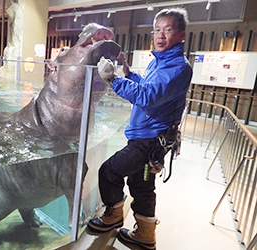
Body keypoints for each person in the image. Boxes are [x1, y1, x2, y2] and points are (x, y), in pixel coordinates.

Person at [87, 7, 193, 250]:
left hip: (148, 141)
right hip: (151, 138)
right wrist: (130, 75)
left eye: (168, 30)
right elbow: (148, 87)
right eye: (157, 30)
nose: (160, 35)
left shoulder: (178, 67)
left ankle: (112, 216)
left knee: (109, 171)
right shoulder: (163, 61)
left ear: (181, 35)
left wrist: (113, 79)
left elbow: (147, 96)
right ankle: (145, 234)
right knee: (142, 184)